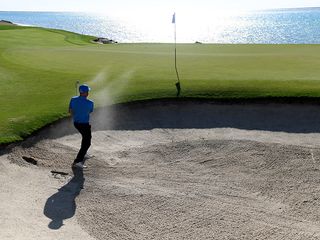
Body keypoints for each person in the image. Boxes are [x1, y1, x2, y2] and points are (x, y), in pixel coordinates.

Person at [69, 84, 94, 168]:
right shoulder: (90, 103)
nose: (88, 93)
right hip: (84, 125)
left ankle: (84, 153)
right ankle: (77, 161)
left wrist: (77, 115)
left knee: (85, 138)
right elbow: (90, 111)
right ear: (85, 92)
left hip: (76, 123)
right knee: (87, 142)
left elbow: (70, 111)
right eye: (87, 91)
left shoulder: (73, 99)